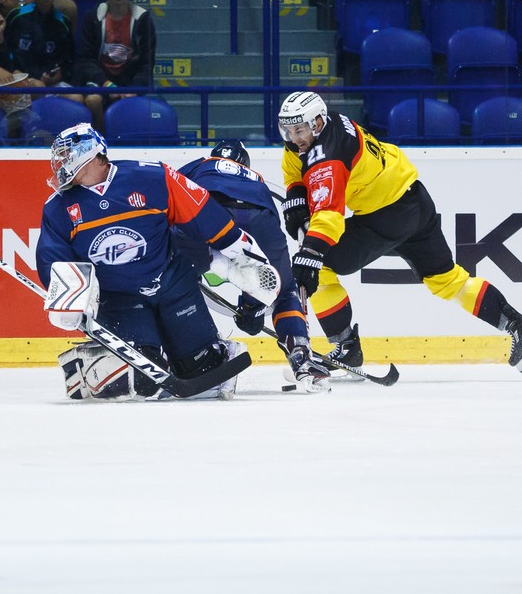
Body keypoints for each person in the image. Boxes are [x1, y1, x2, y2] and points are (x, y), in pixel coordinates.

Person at [277, 91, 522, 373]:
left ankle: (347, 348)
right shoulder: (325, 125)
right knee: (447, 279)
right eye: (289, 129)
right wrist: (296, 198)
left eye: (299, 129)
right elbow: (296, 169)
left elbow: (329, 216)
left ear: (317, 123)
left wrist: (310, 253)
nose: (295, 137)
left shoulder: (328, 156)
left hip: (385, 217)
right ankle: (516, 323)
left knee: (320, 267)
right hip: (415, 199)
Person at [35, 123, 276, 400]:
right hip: (119, 298)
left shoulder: (153, 177)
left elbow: (204, 214)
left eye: (66, 156)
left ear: (88, 153)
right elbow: (52, 260)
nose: (60, 164)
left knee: (201, 366)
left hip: (172, 282)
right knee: (141, 378)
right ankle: (92, 367)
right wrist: (70, 299)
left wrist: (238, 253)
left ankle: (214, 350)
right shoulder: (57, 207)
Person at [175, 141, 330, 393]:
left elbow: (171, 190)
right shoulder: (256, 180)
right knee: (285, 290)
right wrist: (253, 306)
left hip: (209, 210)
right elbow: (270, 227)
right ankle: (301, 355)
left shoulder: (201, 165)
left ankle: (192, 350)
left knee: (172, 281)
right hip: (260, 217)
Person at [75, 0, 155, 129]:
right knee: (93, 100)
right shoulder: (93, 17)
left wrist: (134, 89)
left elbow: (147, 63)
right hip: (101, 80)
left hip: (130, 80)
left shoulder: (143, 19)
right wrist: (106, 84)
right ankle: (103, 136)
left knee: (135, 101)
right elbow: (85, 60)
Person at [5, 0, 79, 96]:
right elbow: (4, 51)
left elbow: (69, 60)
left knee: (77, 99)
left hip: (51, 83)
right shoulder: (16, 17)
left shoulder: (63, 23)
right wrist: (14, 71)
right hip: (21, 81)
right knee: (38, 88)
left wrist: (58, 75)